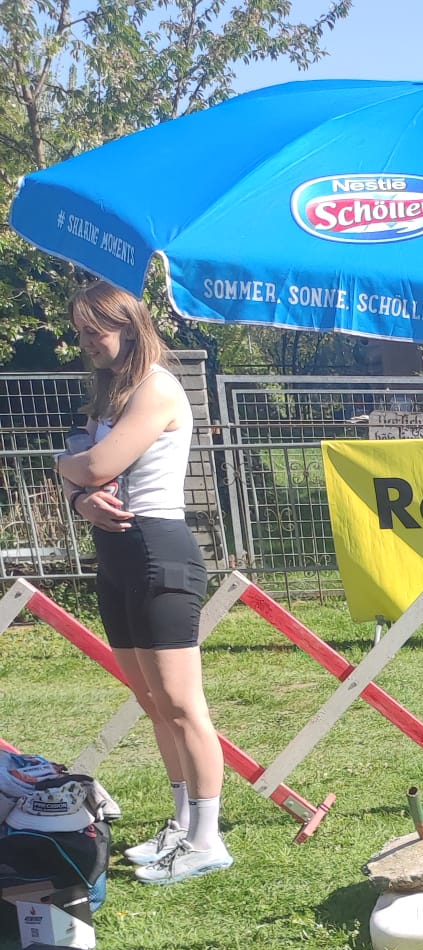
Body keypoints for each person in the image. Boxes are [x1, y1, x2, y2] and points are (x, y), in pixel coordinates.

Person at [57, 281, 229, 883]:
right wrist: (79, 498)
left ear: (128, 327)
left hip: (159, 550)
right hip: (117, 556)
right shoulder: (110, 394)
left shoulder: (156, 388)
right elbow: (86, 479)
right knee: (153, 703)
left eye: (93, 331)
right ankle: (182, 825)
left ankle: (207, 838)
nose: (85, 343)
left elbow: (95, 464)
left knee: (182, 704)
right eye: (80, 332)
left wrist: (65, 469)